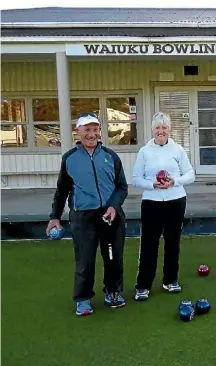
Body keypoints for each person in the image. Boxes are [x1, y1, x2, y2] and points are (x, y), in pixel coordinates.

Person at [46, 112, 128, 316]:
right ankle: (83, 299)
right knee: (85, 259)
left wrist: (113, 207)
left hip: (110, 217)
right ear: (79, 131)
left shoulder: (111, 156)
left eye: (95, 129)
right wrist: (55, 217)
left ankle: (113, 292)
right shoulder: (70, 158)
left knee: (112, 257)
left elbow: (122, 187)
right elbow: (62, 190)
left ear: (100, 131)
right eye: (87, 129)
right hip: (83, 218)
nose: (92, 134)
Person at [131, 112, 195, 301]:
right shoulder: (144, 151)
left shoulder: (178, 150)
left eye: (164, 127)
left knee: (172, 242)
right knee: (149, 244)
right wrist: (153, 185)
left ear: (169, 130)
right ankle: (143, 285)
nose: (161, 131)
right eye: (158, 128)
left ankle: (170, 280)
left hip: (176, 201)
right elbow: (136, 179)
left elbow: (191, 175)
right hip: (151, 202)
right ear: (153, 130)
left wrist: (174, 181)